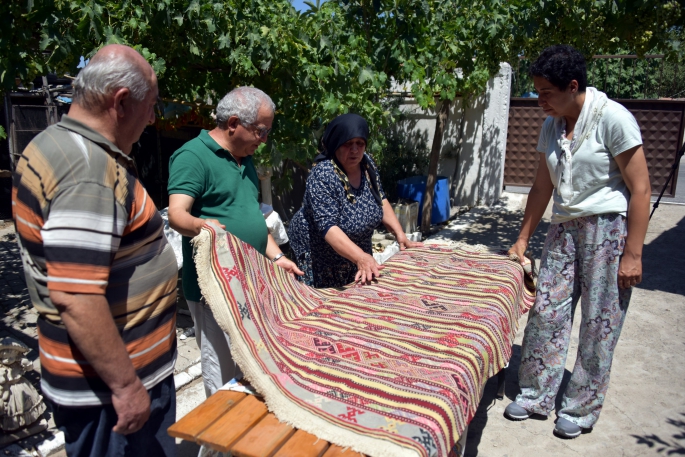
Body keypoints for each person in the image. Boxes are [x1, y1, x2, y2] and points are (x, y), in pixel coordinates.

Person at [12, 45, 178, 456]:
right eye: (151, 106)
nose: (153, 119)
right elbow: (76, 295)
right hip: (111, 394)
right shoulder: (90, 173)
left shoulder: (56, 142)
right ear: (121, 102)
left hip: (107, 382)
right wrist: (125, 386)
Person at [503, 45, 651, 438]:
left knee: (599, 323)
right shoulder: (551, 125)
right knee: (547, 311)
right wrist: (522, 239)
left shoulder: (613, 119)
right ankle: (535, 394)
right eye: (536, 92)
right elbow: (541, 186)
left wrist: (633, 254)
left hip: (607, 230)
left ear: (572, 86)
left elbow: (640, 189)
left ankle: (581, 407)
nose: (539, 101)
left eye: (546, 93)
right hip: (564, 230)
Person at [168, 86, 302, 397]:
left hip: (251, 282)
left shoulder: (246, 159)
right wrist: (207, 227)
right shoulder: (193, 156)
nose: (264, 139)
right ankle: (219, 445)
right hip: (215, 290)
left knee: (252, 368)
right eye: (261, 131)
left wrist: (278, 258)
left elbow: (251, 217)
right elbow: (177, 215)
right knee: (224, 381)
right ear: (232, 123)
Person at [288, 113, 422, 288]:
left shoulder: (367, 164)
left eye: (360, 143)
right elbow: (328, 227)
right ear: (335, 144)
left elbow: (380, 199)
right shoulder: (323, 175)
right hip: (321, 255)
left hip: (357, 249)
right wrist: (360, 257)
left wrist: (400, 235)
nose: (355, 150)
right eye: (347, 144)